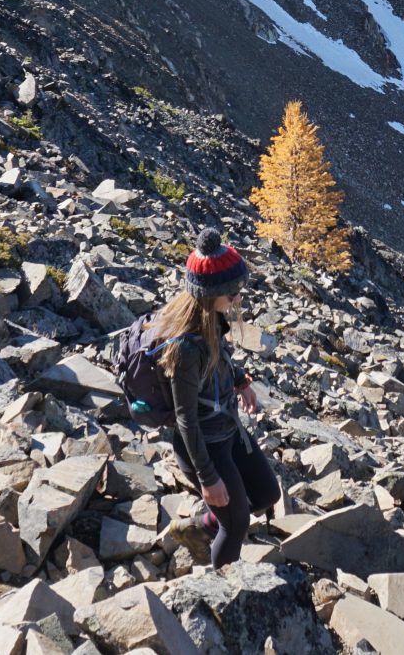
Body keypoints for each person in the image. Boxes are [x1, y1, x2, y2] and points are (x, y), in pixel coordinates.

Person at [151, 227, 279, 566]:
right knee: (237, 524)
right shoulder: (184, 349)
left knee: (267, 494)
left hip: (227, 428)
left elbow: (220, 362)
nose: (239, 298)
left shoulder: (212, 321)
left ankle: (200, 527)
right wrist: (209, 479)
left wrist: (240, 381)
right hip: (204, 443)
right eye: (233, 292)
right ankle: (220, 598)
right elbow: (185, 420)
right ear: (210, 294)